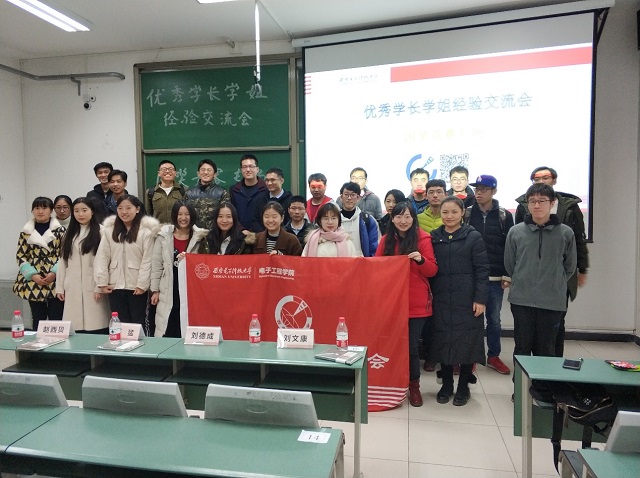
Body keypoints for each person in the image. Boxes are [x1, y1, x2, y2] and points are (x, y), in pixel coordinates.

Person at [514, 166, 588, 357]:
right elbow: (512, 257)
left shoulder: (569, 207)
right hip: (526, 286)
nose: (541, 181)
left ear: (554, 180)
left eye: (545, 177)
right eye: (536, 178)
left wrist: (582, 269)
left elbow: (577, 243)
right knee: (523, 341)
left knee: (552, 335)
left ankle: (553, 371)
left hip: (555, 283)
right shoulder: (522, 207)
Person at [505, 183, 577, 362]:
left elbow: (570, 267)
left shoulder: (566, 233)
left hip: (552, 302)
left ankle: (543, 382)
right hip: (521, 300)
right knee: (521, 348)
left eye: (542, 201)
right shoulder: (515, 232)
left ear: (552, 203)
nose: (536, 205)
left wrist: (553, 282)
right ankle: (520, 381)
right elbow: (510, 264)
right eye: (532, 201)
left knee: (546, 350)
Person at [376, 202, 438, 407]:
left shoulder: (423, 238)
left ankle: (414, 385)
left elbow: (432, 271)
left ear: (414, 218)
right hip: (391, 302)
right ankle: (392, 382)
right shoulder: (385, 240)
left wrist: (421, 260)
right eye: (399, 216)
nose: (403, 221)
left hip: (416, 303)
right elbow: (376, 268)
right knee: (391, 344)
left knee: (410, 346)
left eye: (407, 216)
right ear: (392, 219)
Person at [430, 197, 489, 406]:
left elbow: (482, 270)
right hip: (441, 298)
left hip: (467, 299)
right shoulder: (434, 237)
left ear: (462, 212)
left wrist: (480, 298)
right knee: (443, 341)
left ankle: (463, 386)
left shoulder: (473, 236)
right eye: (445, 212)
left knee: (467, 342)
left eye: (454, 212)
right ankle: (446, 385)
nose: (449, 216)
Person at [464, 175, 514, 375]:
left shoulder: (504, 215)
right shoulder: (467, 213)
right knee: (471, 318)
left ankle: (493, 356)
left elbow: (510, 247)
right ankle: (472, 357)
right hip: (471, 276)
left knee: (494, 319)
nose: (479, 193)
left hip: (495, 277)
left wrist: (507, 274)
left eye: (484, 189)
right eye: (477, 189)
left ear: (494, 191)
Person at [94, 195, 160, 330]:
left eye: (128, 208)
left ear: (137, 209)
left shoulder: (146, 232)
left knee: (139, 323)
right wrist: (102, 282)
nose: (124, 212)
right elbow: (102, 257)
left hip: (136, 287)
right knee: (120, 324)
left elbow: (147, 260)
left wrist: (142, 285)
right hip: (115, 286)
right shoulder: (109, 231)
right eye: (120, 208)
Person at [150, 201, 208, 338]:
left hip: (190, 289)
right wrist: (155, 290)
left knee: (186, 327)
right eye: (180, 214)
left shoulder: (201, 237)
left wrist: (191, 259)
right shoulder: (163, 236)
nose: (183, 218)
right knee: (168, 327)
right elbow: (157, 264)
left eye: (187, 214)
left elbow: (205, 263)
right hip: (168, 287)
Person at [55, 197, 110, 333]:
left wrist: (100, 286)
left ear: (92, 211)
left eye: (84, 210)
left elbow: (106, 262)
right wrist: (60, 287)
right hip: (72, 286)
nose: (80, 214)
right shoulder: (69, 233)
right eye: (77, 211)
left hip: (93, 284)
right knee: (75, 328)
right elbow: (63, 262)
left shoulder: (102, 232)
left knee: (96, 325)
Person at [13, 196, 66, 331]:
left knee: (56, 316)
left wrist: (55, 272)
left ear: (51, 210)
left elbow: (66, 255)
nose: (40, 211)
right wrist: (32, 274)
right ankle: (37, 343)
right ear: (32, 211)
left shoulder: (60, 231)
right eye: (37, 208)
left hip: (56, 278)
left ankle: (56, 343)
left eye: (44, 208)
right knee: (37, 316)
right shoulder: (25, 232)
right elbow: (21, 255)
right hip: (33, 279)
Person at [185, 159, 229, 230]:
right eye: (203, 170)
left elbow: (225, 216)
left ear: (215, 174)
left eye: (209, 170)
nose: (205, 172)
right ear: (198, 173)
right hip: (195, 233)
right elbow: (185, 215)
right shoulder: (190, 193)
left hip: (215, 233)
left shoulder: (222, 193)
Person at [338, 182, 380, 257]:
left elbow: (375, 246)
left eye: (353, 195)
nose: (349, 198)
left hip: (362, 262)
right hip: (340, 261)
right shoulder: (335, 220)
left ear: (358, 198)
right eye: (346, 194)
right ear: (341, 197)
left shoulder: (368, 220)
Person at [229, 154, 267, 231]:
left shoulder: (266, 189)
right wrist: (241, 230)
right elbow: (231, 214)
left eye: (251, 166)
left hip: (261, 233)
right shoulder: (234, 190)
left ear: (257, 169)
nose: (248, 170)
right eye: (245, 167)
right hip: (239, 233)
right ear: (241, 170)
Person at [145, 160, 188, 224]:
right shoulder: (150, 192)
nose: (167, 171)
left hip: (177, 228)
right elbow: (148, 215)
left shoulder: (183, 190)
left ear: (175, 173)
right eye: (164, 169)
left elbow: (188, 213)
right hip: (158, 229)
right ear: (159, 173)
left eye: (170, 169)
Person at [250, 167, 293, 232]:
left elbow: (290, 221)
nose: (269, 183)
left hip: (283, 236)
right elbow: (255, 220)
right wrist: (264, 234)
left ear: (281, 181)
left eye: (273, 180)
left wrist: (279, 234)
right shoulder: (260, 198)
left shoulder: (290, 200)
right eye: (267, 180)